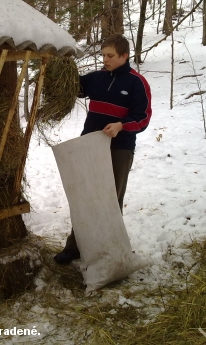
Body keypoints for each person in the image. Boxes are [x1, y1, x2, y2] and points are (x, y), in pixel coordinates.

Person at [54, 34, 152, 264]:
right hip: (89, 146)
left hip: (119, 149)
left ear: (124, 56)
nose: (105, 60)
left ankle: (108, 253)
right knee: (84, 197)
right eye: (103, 55)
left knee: (110, 201)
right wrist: (58, 69)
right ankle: (74, 247)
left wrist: (121, 125)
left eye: (110, 56)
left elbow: (143, 118)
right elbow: (72, 87)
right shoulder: (96, 78)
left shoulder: (136, 83)